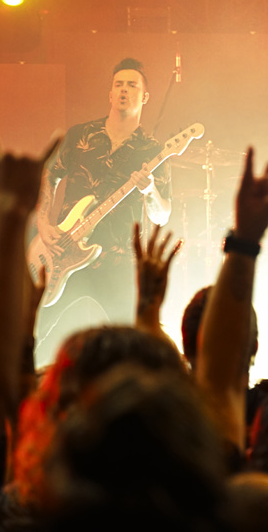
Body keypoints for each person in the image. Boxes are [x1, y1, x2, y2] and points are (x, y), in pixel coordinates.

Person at [34, 57, 172, 363]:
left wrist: (149, 190)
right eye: (118, 85)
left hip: (118, 261)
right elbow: (49, 174)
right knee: (31, 334)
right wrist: (44, 224)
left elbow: (162, 214)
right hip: (62, 253)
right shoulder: (80, 135)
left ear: (144, 97)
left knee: (133, 349)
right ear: (110, 94)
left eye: (132, 85)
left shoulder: (153, 151)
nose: (123, 90)